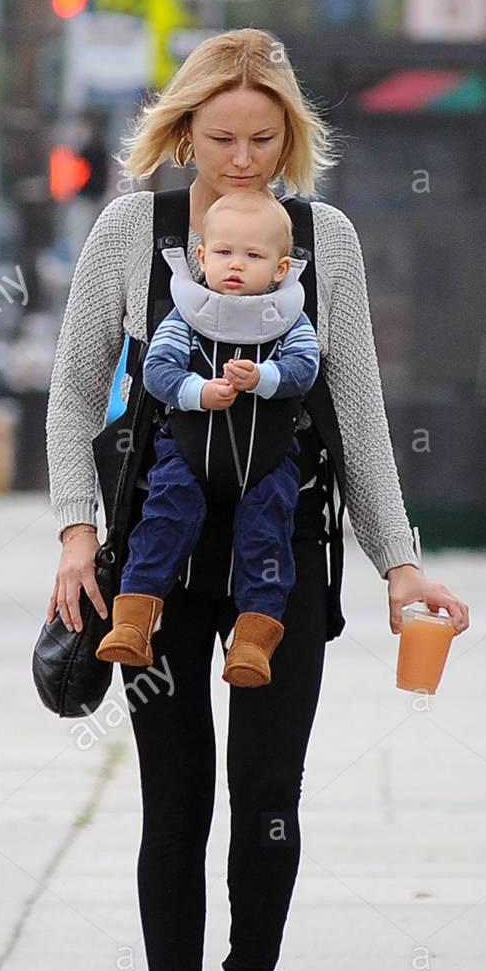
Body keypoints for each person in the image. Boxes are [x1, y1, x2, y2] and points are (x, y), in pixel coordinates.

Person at [45, 28, 470, 971]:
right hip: (159, 570)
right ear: (182, 132)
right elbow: (71, 391)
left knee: (266, 805)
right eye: (221, 136)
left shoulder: (324, 241)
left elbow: (357, 412)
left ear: (290, 139)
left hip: (286, 574)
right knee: (173, 806)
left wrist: (398, 563)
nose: (241, 158)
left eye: (263, 138)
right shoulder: (126, 234)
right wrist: (72, 535)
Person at [96, 189, 321, 688]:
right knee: (165, 512)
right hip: (187, 449)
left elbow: (304, 370)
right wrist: (199, 391)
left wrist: (261, 379)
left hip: (268, 457)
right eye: (224, 253)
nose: (236, 266)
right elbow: (157, 371)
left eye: (253, 256)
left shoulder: (288, 319)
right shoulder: (187, 314)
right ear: (201, 258)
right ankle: (134, 618)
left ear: (281, 268)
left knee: (268, 533)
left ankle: (254, 637)